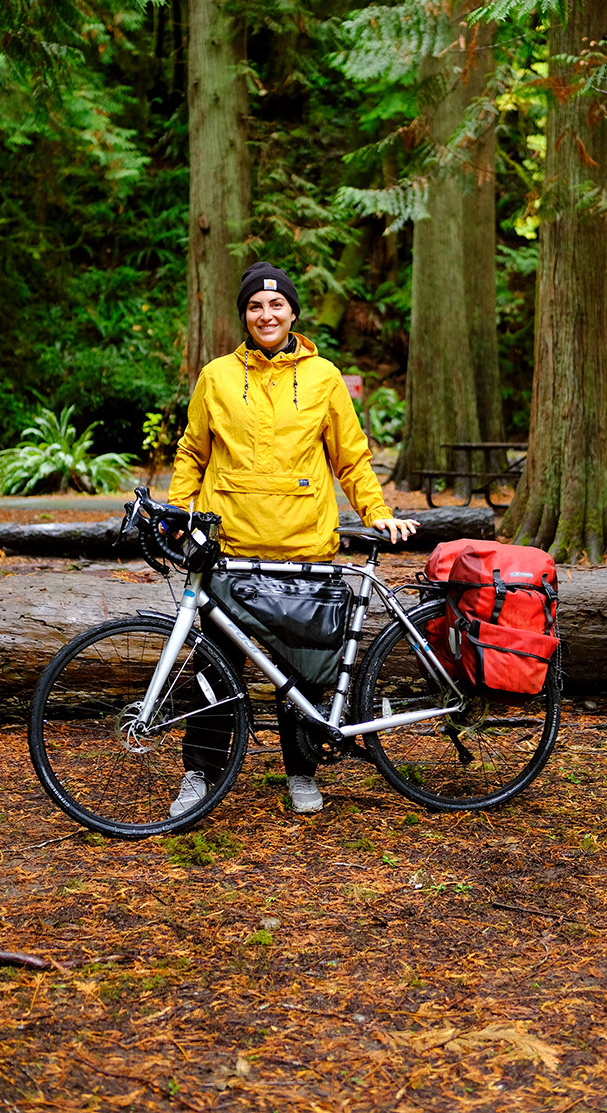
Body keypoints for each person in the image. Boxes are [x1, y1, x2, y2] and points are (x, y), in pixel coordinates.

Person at [166, 261, 417, 816]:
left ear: (294, 313)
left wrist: (376, 512)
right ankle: (199, 775)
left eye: (276, 305)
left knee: (302, 673)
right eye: (255, 306)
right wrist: (180, 514)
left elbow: (351, 458)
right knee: (213, 669)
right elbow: (192, 452)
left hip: (304, 548)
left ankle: (301, 772)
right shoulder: (216, 377)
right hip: (229, 549)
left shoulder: (325, 377)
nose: (266, 314)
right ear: (244, 315)